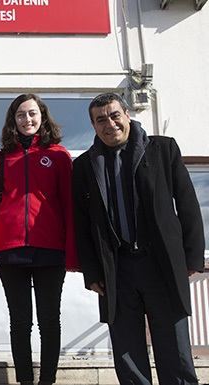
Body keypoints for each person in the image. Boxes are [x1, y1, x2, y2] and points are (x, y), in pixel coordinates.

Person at [72, 92, 204, 385]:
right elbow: (82, 222)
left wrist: (192, 256)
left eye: (115, 115)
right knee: (128, 355)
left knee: (175, 350)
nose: (110, 124)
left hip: (161, 265)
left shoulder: (162, 149)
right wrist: (92, 271)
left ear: (127, 115)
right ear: (94, 126)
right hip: (116, 271)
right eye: (100, 119)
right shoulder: (84, 166)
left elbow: (187, 204)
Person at [0, 94, 78, 385]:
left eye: (33, 113)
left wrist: (71, 252)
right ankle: (24, 381)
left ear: (42, 117)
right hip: (10, 252)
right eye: (21, 115)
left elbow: (69, 207)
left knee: (49, 321)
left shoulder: (59, 156)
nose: (27, 120)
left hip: (50, 250)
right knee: (20, 322)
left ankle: (47, 380)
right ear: (13, 120)